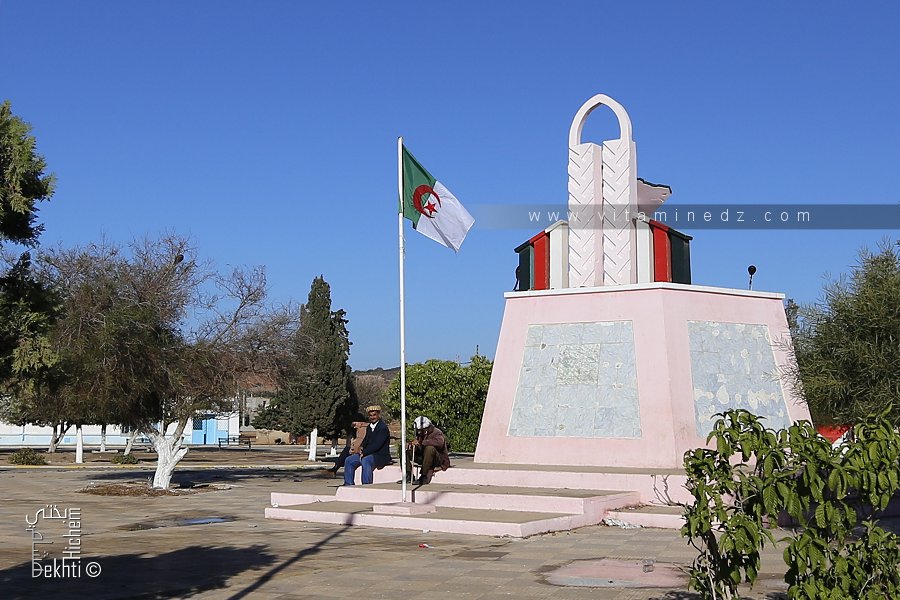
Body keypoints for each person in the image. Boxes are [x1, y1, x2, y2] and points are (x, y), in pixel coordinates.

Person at [343, 405, 392, 485]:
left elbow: (377, 445)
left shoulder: (383, 428)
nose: (372, 417)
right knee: (349, 460)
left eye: (374, 415)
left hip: (380, 456)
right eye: (371, 415)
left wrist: (364, 452)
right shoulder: (369, 427)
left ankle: (366, 485)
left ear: (378, 415)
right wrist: (360, 448)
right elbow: (365, 440)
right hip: (367, 453)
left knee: (366, 460)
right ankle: (348, 484)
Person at [403, 416, 450, 485]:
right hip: (424, 457)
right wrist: (412, 445)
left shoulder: (437, 432)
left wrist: (422, 442)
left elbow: (440, 443)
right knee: (404, 450)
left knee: (429, 448)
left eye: (420, 430)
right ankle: (408, 474)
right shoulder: (419, 434)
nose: (419, 432)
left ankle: (424, 476)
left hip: (437, 459)